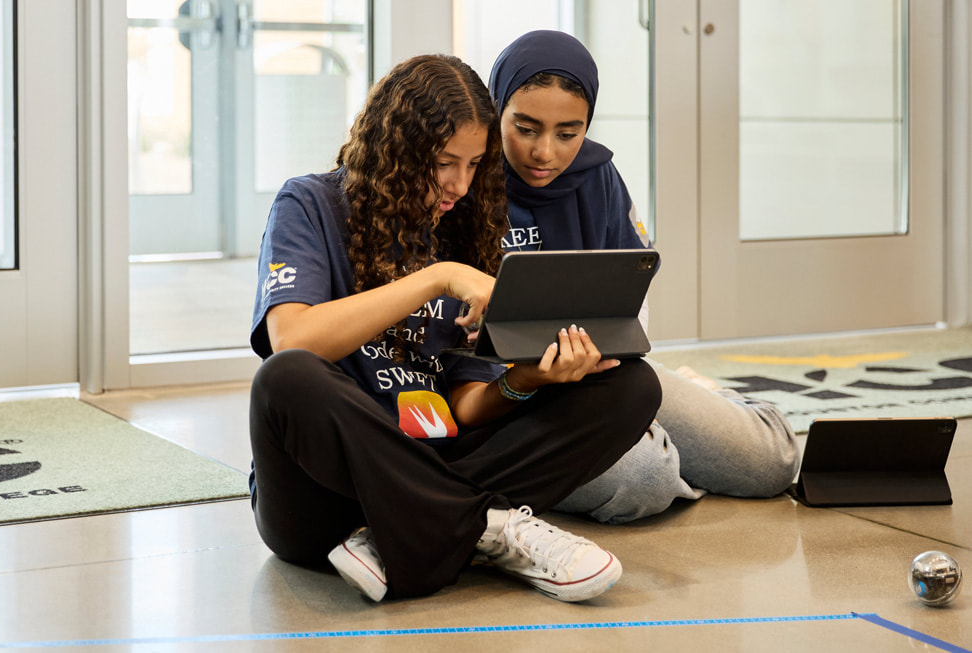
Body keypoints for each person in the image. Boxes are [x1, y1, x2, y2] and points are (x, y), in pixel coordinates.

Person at [248, 53, 663, 603]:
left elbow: (462, 404)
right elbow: (292, 339)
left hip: (435, 457)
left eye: (473, 165)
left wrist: (527, 380)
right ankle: (485, 527)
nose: (459, 186)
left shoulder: (463, 226)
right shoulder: (309, 203)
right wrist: (436, 279)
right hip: (326, 503)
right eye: (443, 163)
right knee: (288, 378)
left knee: (631, 385)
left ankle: (421, 529)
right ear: (393, 147)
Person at [489, 30, 801, 524]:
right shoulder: (459, 176)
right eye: (525, 128)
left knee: (773, 463)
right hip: (506, 397)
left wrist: (611, 373)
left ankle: (700, 398)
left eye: (568, 133)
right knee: (642, 483)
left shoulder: (599, 176)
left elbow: (631, 295)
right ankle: (655, 442)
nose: (544, 152)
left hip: (606, 377)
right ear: (496, 108)